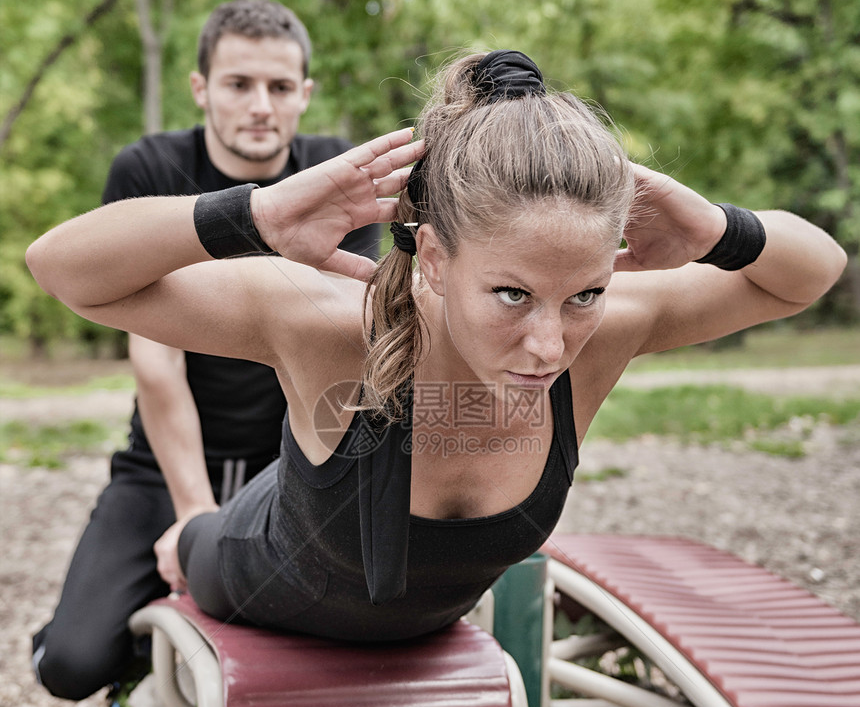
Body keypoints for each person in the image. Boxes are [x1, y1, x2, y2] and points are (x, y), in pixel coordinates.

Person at [26, 50, 847, 647]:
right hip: (251, 565)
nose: (550, 342)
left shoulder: (608, 332)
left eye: (585, 294)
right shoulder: (327, 324)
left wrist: (717, 228)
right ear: (434, 256)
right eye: (512, 294)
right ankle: (182, 541)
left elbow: (812, 272)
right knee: (178, 560)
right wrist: (257, 217)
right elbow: (63, 269)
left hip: (403, 616)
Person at [31, 0, 378, 698]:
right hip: (160, 463)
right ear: (200, 89)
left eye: (280, 88)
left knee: (331, 638)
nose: (261, 105)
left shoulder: (338, 179)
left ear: (304, 96)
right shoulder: (151, 169)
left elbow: (338, 352)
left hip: (284, 458)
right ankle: (146, 648)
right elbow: (155, 363)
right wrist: (193, 513)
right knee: (69, 665)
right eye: (238, 84)